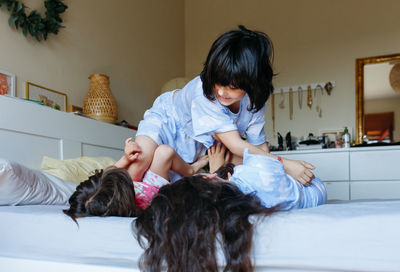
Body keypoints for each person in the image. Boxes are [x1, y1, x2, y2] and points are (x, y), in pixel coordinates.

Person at [127, 25, 315, 185]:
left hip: (197, 140)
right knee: (138, 163)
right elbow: (235, 144)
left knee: (173, 184)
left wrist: (276, 173)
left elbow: (259, 149)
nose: (222, 92)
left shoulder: (254, 102)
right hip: (167, 119)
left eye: (233, 88)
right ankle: (111, 195)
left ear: (253, 84)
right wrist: (286, 164)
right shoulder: (204, 93)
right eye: (218, 82)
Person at [63, 141, 208, 222]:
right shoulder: (133, 208)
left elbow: (109, 171)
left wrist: (125, 159)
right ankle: (191, 170)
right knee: (164, 152)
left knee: (137, 158)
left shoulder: (103, 188)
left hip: (133, 186)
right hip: (150, 188)